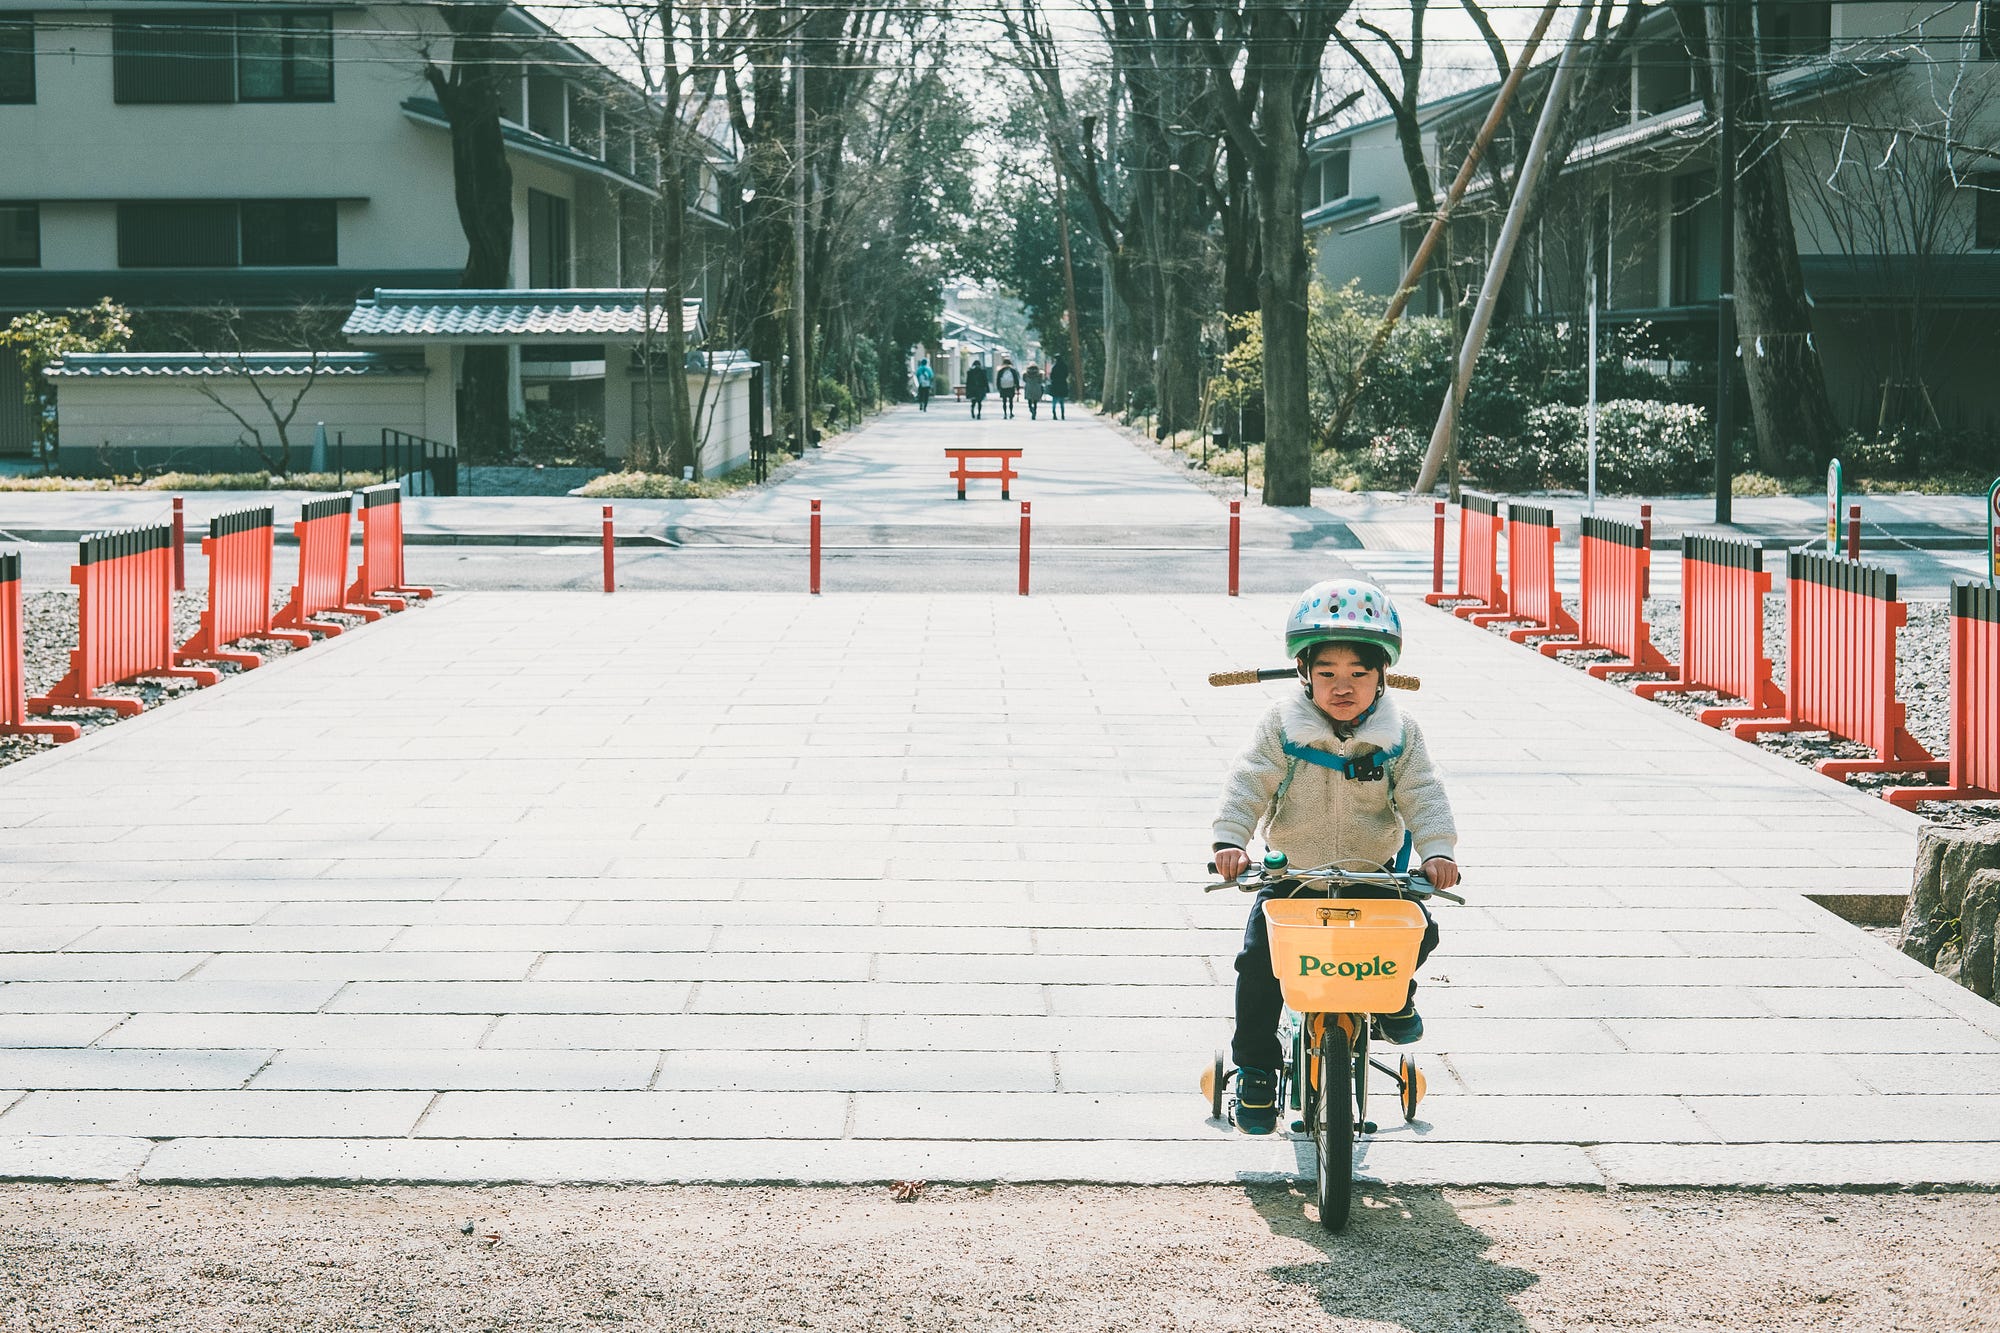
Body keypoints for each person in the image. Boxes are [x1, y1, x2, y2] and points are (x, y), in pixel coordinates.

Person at [1210, 581, 1461, 1136]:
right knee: (1258, 966)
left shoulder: (1400, 736)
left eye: (1358, 674)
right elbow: (1250, 782)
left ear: (1382, 677)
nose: (1342, 687)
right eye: (1326, 673)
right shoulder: (1280, 726)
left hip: (1374, 878)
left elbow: (1424, 792)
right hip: (1293, 878)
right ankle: (1255, 1068)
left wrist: (1437, 852)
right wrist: (1231, 840)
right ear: (1304, 672)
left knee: (1421, 930)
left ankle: (1393, 997)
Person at [1047, 353, 1070, 420]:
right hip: (1062, 385)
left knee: (1054, 401)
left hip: (1055, 385)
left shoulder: (1054, 367)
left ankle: (1054, 414)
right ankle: (1062, 415)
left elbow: (1051, 376)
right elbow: (1066, 374)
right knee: (1062, 402)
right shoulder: (1065, 366)